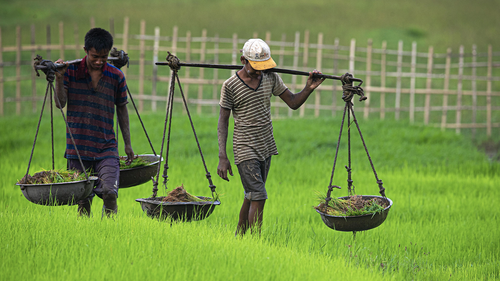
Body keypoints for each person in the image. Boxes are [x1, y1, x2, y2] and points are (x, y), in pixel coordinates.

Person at [217, 38, 325, 236]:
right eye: (255, 67)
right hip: (244, 147)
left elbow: (292, 102)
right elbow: (223, 120)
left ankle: (238, 238)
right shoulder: (230, 86)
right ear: (243, 60)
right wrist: (222, 156)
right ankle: (257, 243)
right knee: (259, 196)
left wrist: (309, 88)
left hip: (265, 145)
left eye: (263, 67)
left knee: (251, 196)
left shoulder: (271, 78)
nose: (259, 71)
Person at [54, 27, 135, 217]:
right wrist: (59, 77)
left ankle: (110, 232)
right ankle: (87, 235)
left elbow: (122, 109)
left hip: (106, 147)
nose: (99, 61)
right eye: (94, 56)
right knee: (83, 200)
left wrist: (128, 144)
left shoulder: (116, 76)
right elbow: (60, 103)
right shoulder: (71, 72)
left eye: (104, 57)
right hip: (78, 148)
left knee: (110, 193)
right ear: (85, 51)